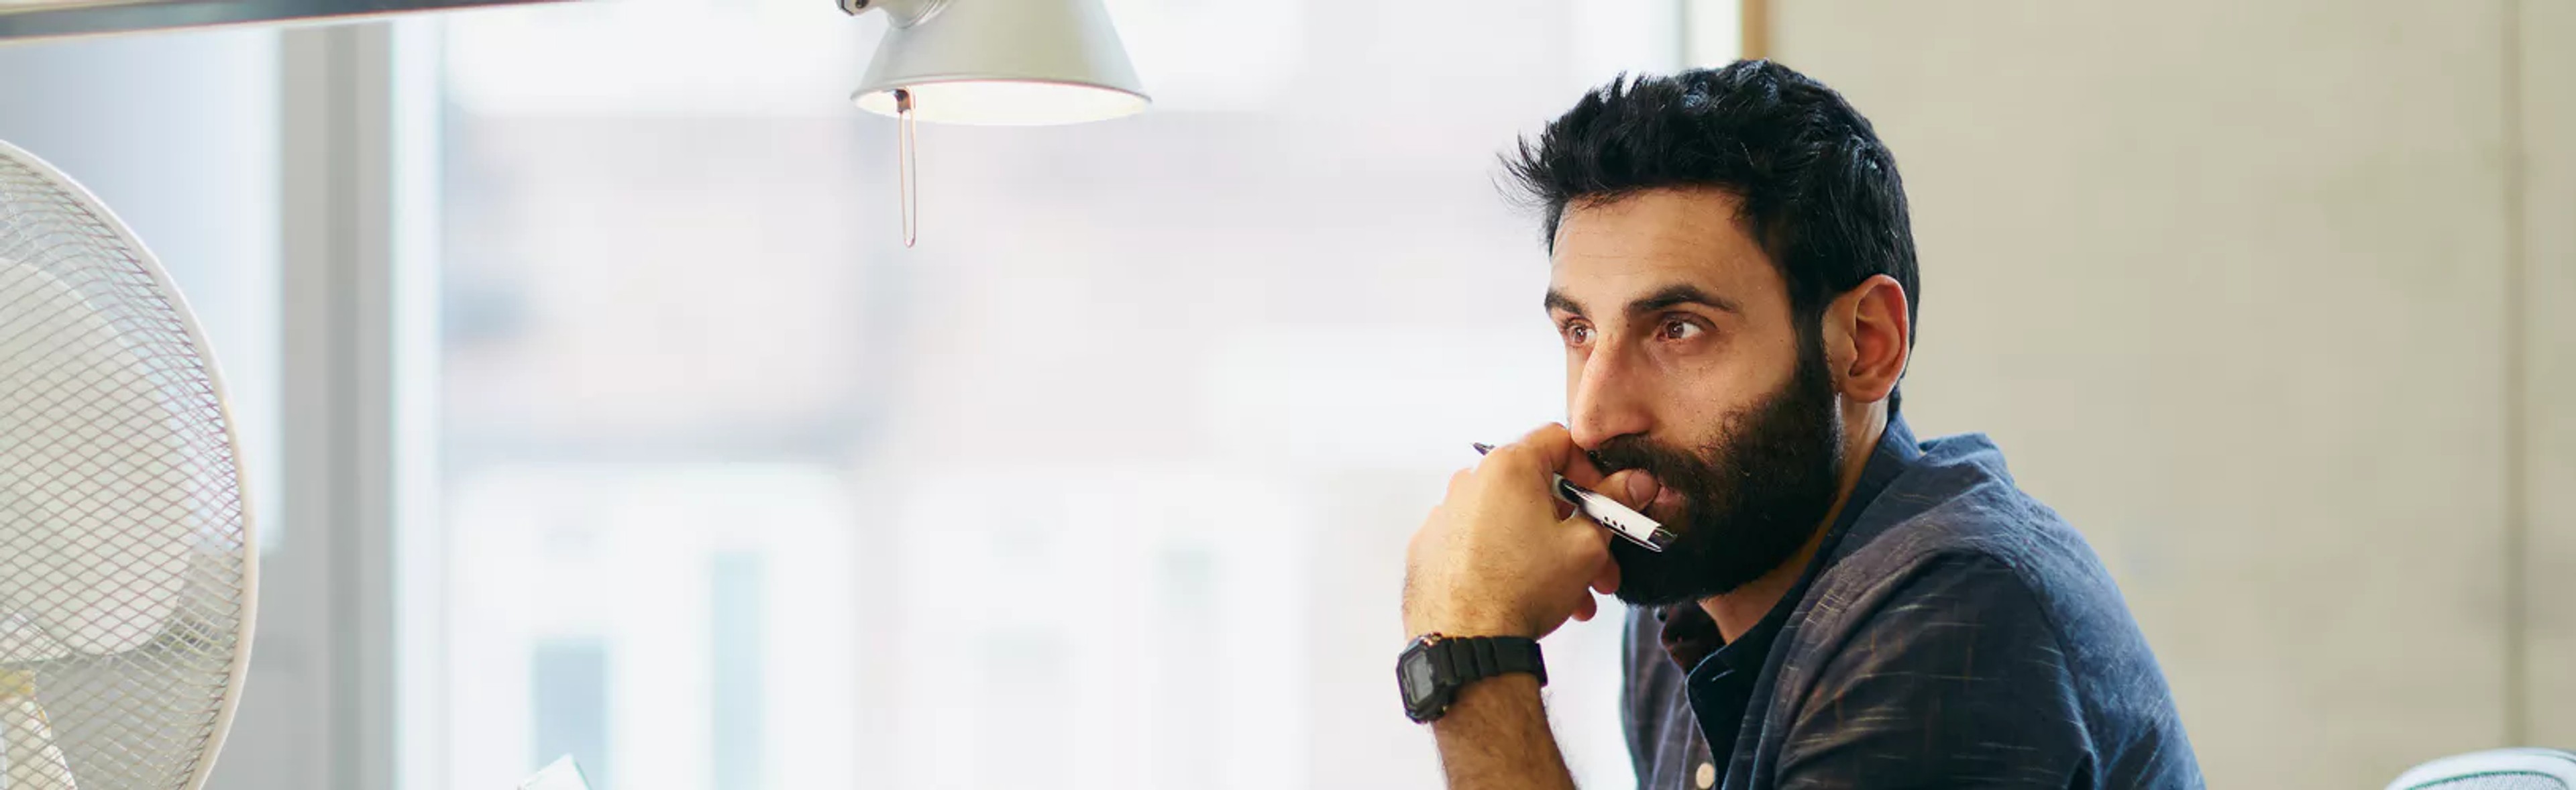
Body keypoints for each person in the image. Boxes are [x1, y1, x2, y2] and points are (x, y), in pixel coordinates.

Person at [1396, 60, 2203, 789]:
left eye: (1678, 328)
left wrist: (1472, 650)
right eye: (1579, 332)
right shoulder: (1693, 588)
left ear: (1866, 344)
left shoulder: (1954, 615)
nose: (1596, 415)